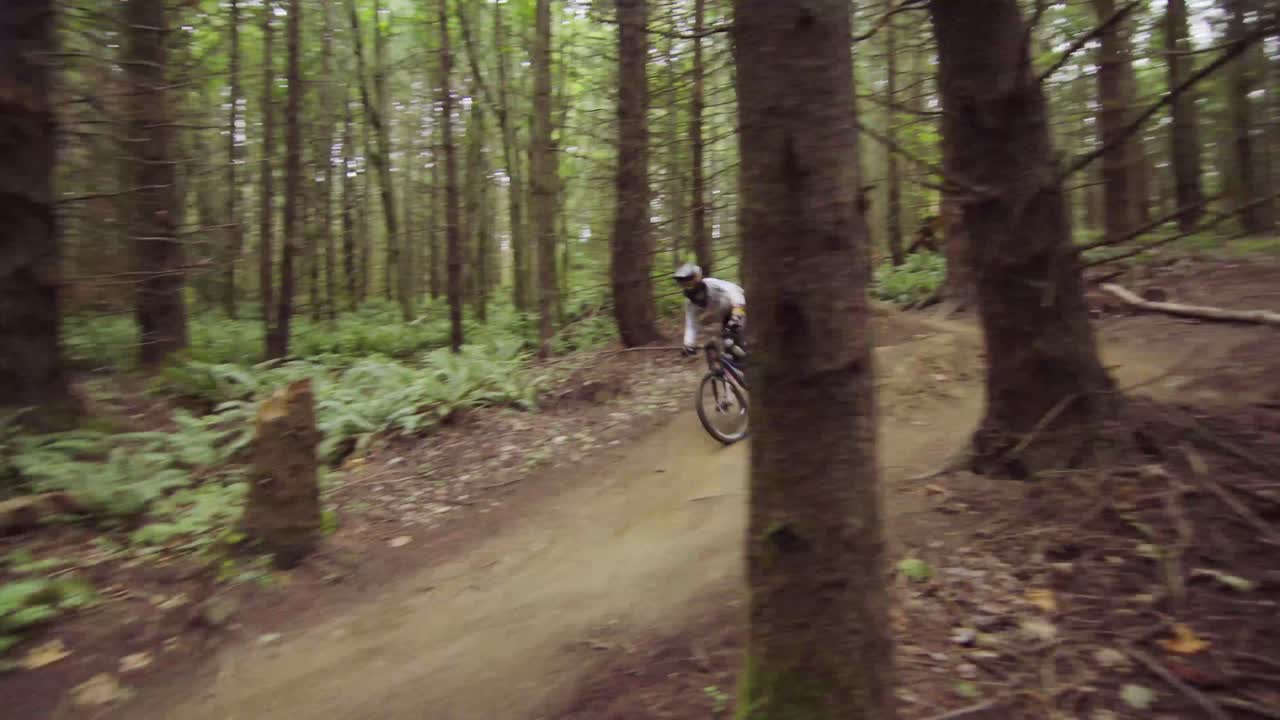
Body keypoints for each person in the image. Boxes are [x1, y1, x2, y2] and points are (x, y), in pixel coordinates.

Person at [673, 263, 746, 361]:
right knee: (728, 344)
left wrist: (737, 310)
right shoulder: (690, 303)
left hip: (739, 309)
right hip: (727, 317)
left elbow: (733, 290)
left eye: (689, 283)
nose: (687, 286)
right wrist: (689, 345)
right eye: (683, 285)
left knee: (740, 339)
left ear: (697, 278)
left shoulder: (712, 284)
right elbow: (691, 324)